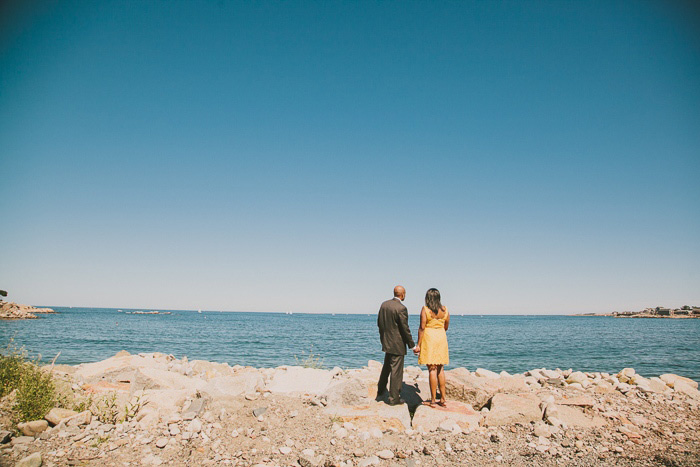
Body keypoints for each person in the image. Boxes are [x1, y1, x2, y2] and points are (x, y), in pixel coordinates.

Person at [377, 285, 418, 405]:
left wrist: (383, 338)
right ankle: (394, 398)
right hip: (397, 344)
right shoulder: (401, 308)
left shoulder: (384, 305)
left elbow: (379, 323)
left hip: (387, 341)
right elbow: (405, 329)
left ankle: (380, 390)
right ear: (402, 294)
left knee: (387, 367)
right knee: (396, 371)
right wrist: (413, 346)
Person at [416, 288, 450, 407]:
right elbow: (446, 326)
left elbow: (422, 328)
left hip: (429, 338)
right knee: (441, 369)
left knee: (432, 369)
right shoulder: (445, 310)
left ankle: (433, 400)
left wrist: (418, 345)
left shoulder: (425, 309)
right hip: (441, 337)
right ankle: (443, 399)